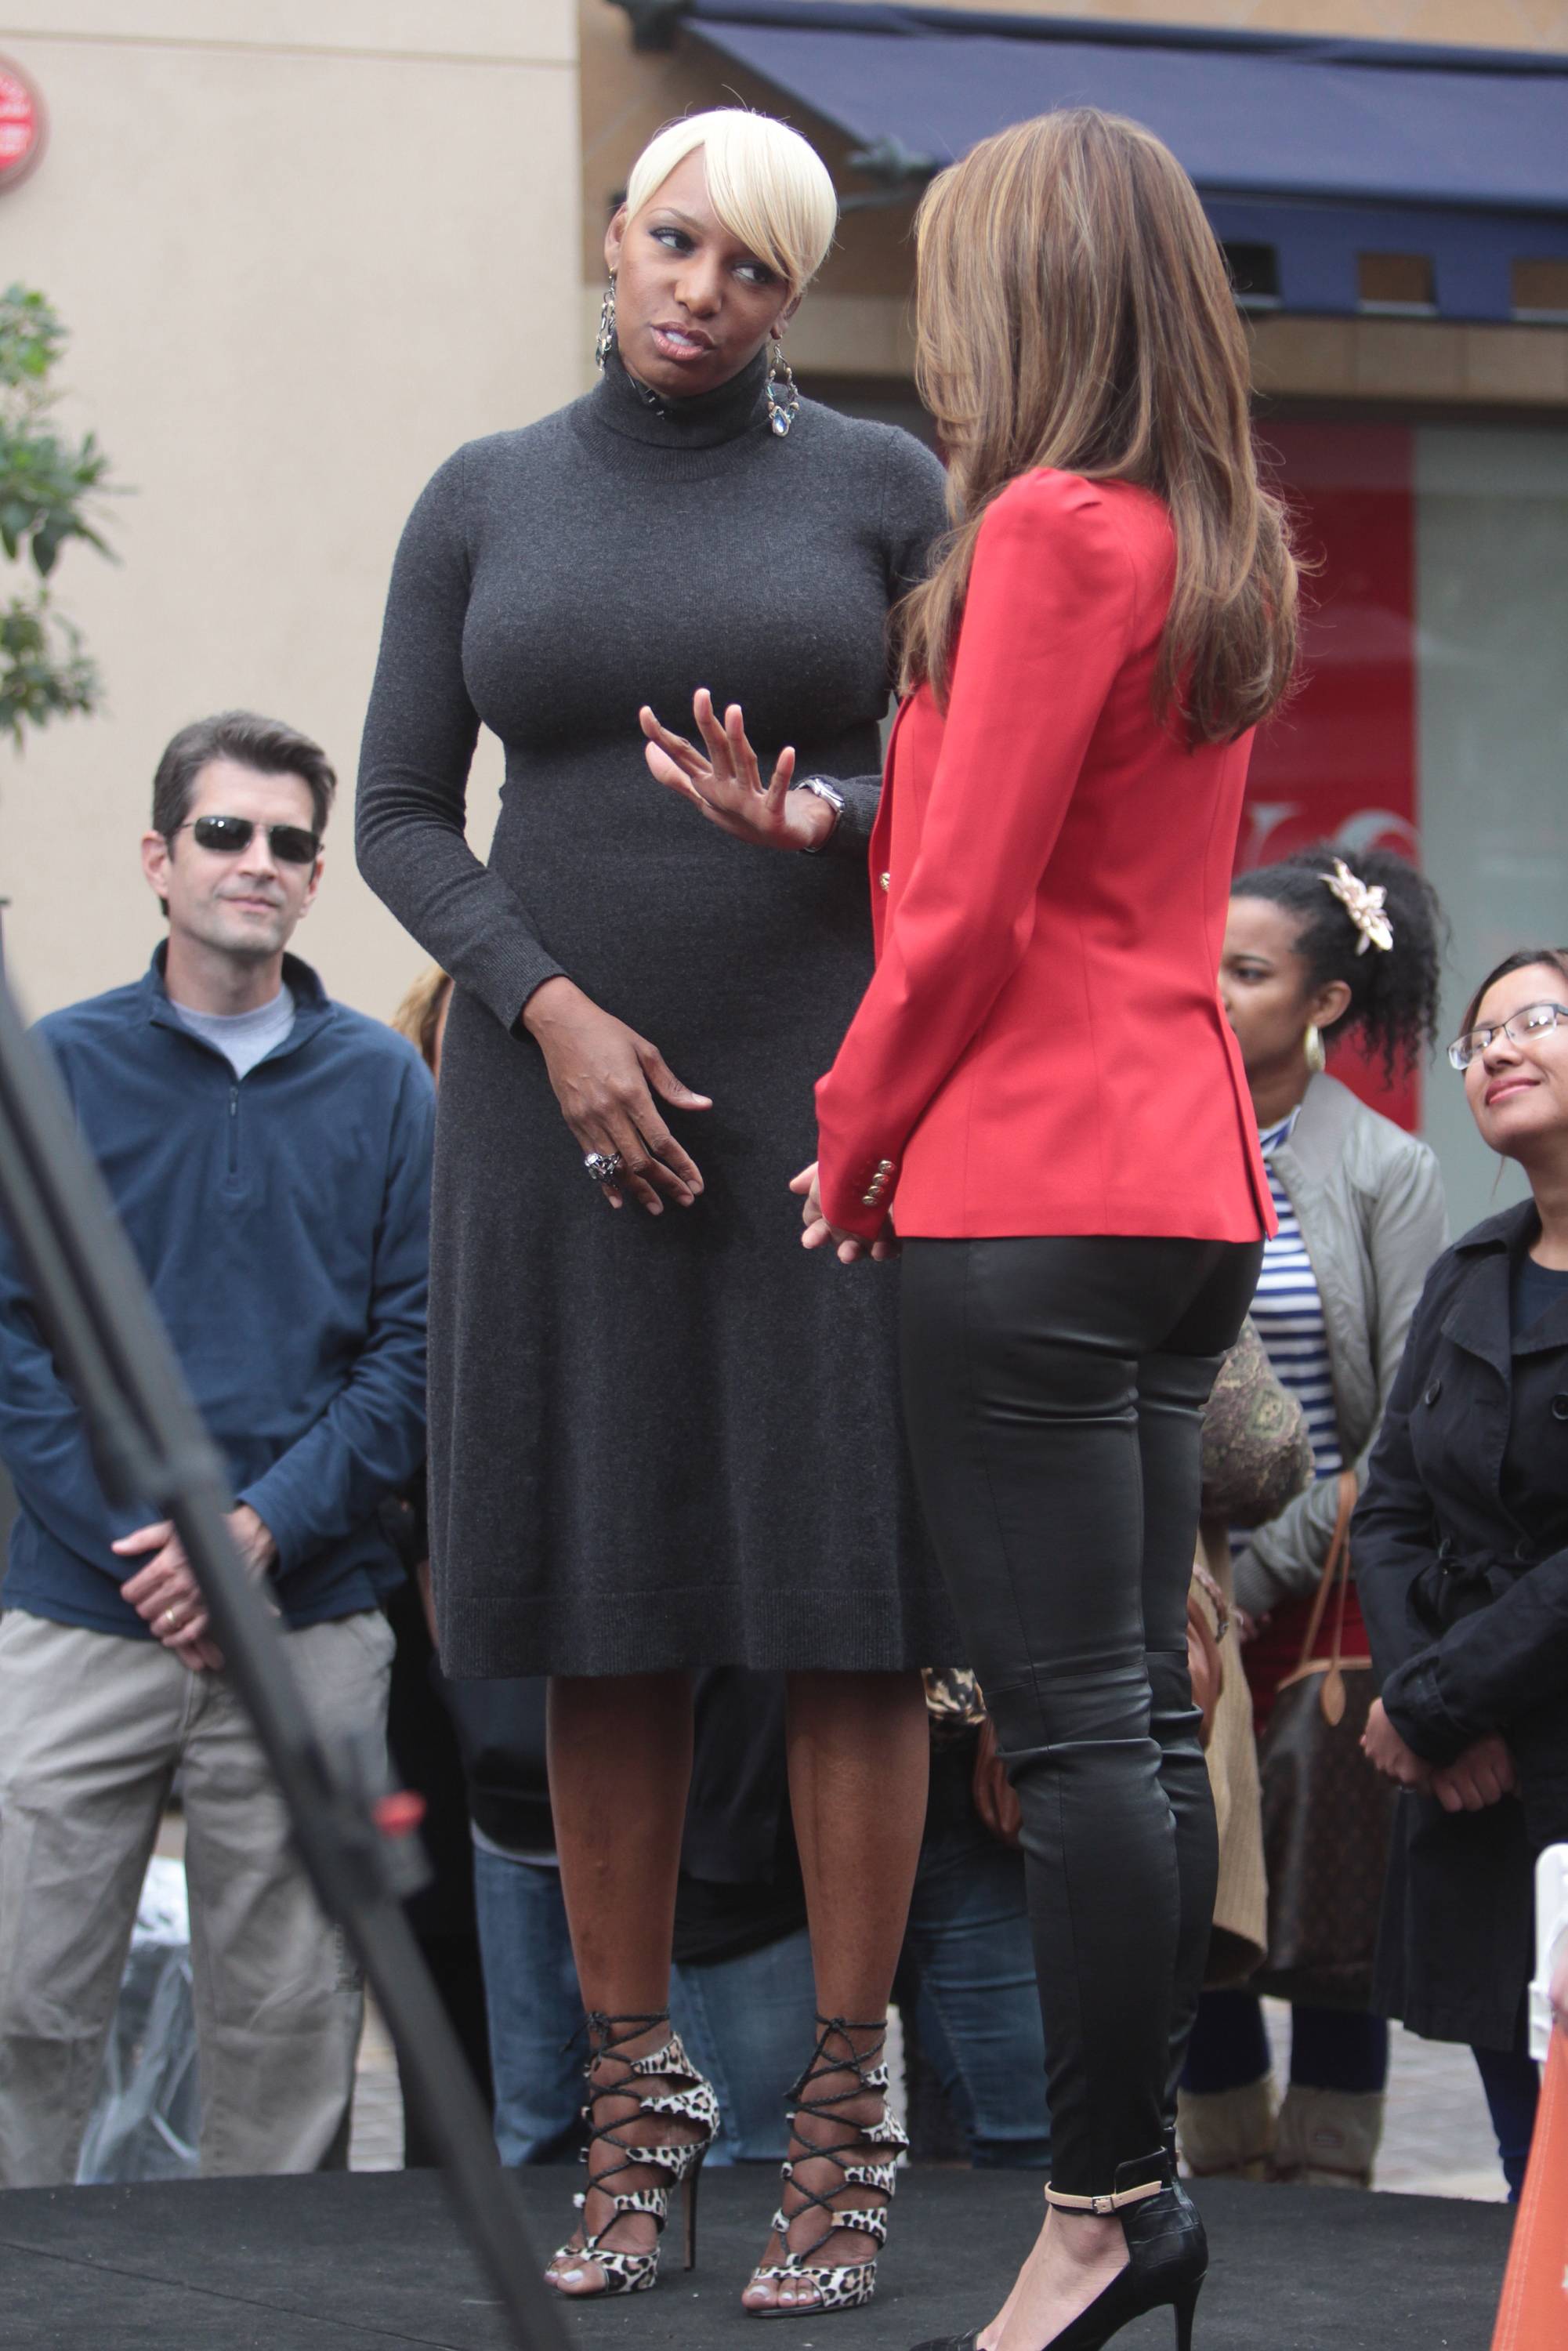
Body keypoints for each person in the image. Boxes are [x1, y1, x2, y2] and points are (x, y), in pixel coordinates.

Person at [356, 110, 957, 2312]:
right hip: (548, 1116)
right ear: (616, 237)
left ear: (797, 303)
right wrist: (549, 1015)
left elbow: (971, 782)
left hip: (823, 1106)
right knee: (602, 1610)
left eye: (757, 271)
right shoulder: (485, 494)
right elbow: (402, 815)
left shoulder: (883, 492)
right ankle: (638, 2112)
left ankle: (841, 2124)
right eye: (674, 241)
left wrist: (834, 809)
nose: (701, 290)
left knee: (840, 1609)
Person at [748, 103, 1293, 2351]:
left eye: (958, 280)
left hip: (1035, 1185)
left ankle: (1101, 2210)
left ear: (1035, 295)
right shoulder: (1215, 532)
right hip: (1174, 1186)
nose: (938, 327)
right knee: (1132, 1737)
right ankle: (1125, 2195)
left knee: (1075, 1736)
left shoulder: (1056, 531)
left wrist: (851, 1132)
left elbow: (965, 911)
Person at [0, 710, 433, 2186]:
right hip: (84, 1608)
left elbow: (415, 1354)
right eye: (224, 834)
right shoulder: (53, 1072)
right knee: (23, 2003)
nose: (257, 863)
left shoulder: (386, 1087)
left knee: (288, 2027)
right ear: (157, 858)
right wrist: (157, 1547)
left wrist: (251, 1536)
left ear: (316, 881)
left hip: (307, 1617)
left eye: (289, 843)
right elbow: (14, 1342)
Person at [1178, 847, 1448, 2188]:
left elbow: (1404, 1419)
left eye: (1247, 971)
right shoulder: (1156, 1129)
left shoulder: (1384, 1167)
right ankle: (1216, 2145)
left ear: (1327, 1002)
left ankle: (1336, 2165)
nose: (1212, 991)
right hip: (1184, 1569)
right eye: (1206, 962)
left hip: (1334, 1573)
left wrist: (1269, 1571)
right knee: (1199, 1847)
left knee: (1333, 1858)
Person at [1357, 947, 1568, 2201]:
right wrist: (1429, 1711)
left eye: (1534, 1020)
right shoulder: (1469, 1270)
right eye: (1476, 1038)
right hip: (1482, 1793)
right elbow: (1387, 1510)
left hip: (1534, 1740)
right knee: (1528, 2185)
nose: (1493, 1052)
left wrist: (1443, 1701)